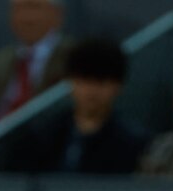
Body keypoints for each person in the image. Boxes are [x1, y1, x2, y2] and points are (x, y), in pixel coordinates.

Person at [0, 0, 73, 136]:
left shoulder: (73, 60)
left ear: (57, 15)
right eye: (19, 9)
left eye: (34, 7)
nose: (26, 17)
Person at [44, 37, 148, 174]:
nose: (91, 91)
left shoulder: (135, 143)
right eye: (84, 80)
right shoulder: (43, 137)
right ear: (70, 82)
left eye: (101, 82)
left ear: (118, 86)